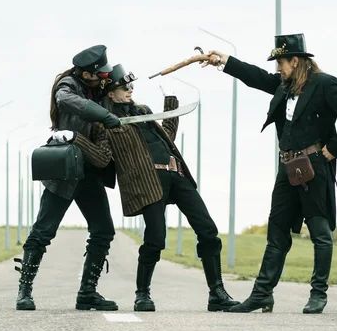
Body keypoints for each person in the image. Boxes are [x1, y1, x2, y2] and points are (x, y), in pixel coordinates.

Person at [54, 64, 240, 312]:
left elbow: (168, 136)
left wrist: (170, 100)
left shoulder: (142, 111)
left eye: (131, 86)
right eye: (124, 87)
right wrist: (75, 139)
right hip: (148, 183)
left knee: (208, 230)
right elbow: (100, 158)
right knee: (156, 239)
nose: (130, 90)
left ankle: (217, 293)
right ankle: (142, 294)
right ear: (110, 93)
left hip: (177, 175)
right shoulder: (105, 123)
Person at [200, 33, 337, 314]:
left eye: (281, 63)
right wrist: (223, 61)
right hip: (287, 167)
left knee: (319, 232)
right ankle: (262, 293)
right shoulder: (284, 86)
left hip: (315, 167)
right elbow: (254, 76)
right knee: (276, 230)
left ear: (296, 61)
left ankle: (318, 294)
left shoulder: (324, 85)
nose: (278, 68)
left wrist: (332, 151)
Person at [14, 44, 122, 312]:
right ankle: (24, 292)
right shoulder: (67, 85)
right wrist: (103, 114)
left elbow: (119, 94)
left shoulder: (99, 88)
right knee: (43, 232)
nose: (103, 78)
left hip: (90, 171)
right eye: (100, 74)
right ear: (86, 74)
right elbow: (67, 101)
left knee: (103, 230)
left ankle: (87, 293)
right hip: (63, 171)